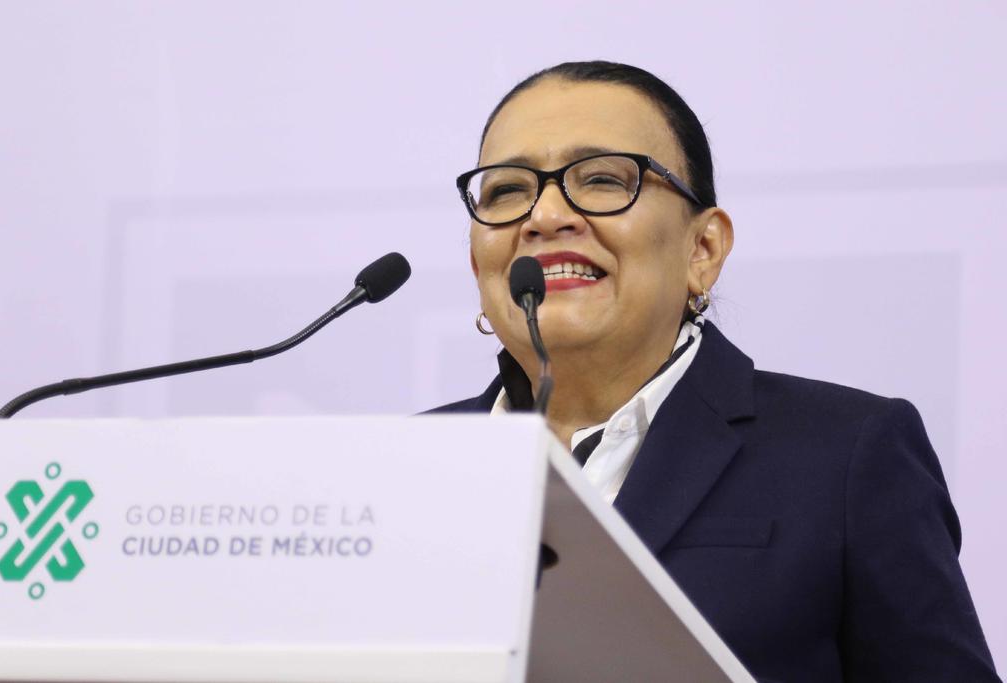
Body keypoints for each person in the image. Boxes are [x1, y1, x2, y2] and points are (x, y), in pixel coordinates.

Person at [428, 61, 1000, 681]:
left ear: (702, 249)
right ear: (477, 261)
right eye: (507, 191)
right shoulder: (405, 465)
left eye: (601, 179)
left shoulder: (845, 456)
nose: (543, 216)